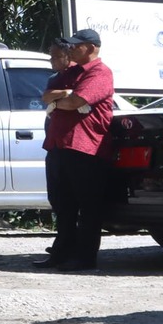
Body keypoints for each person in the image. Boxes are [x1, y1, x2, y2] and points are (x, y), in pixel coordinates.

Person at [40, 29, 115, 271]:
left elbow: (76, 102)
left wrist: (62, 101)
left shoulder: (100, 73)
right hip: (58, 145)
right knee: (62, 204)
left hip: (86, 148)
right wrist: (65, 96)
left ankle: (84, 258)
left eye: (77, 46)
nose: (71, 50)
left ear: (91, 47)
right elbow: (46, 96)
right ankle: (61, 254)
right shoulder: (70, 73)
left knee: (88, 206)